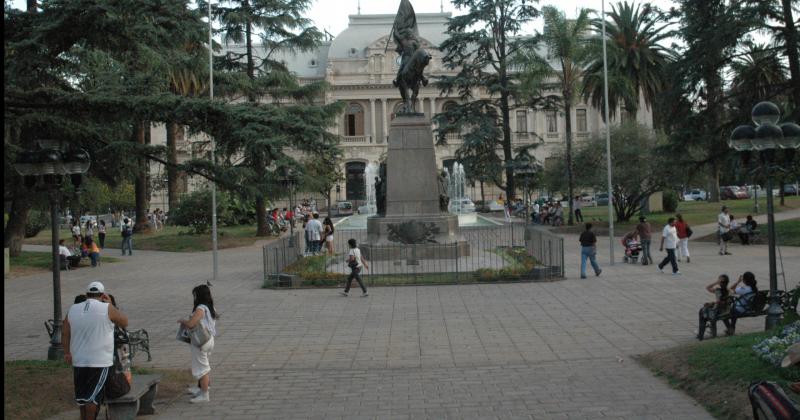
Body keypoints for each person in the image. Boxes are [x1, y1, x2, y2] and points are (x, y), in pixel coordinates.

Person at [62, 281, 128, 420]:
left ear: (86, 295)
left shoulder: (73, 309)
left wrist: (67, 352)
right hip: (99, 361)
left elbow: (65, 332)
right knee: (92, 397)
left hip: (79, 360)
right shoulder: (107, 308)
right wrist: (111, 304)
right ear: (103, 294)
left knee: (82, 397)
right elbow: (124, 322)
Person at [178, 285, 217, 403]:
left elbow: (191, 324)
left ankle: (205, 394)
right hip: (209, 340)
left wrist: (182, 321)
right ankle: (202, 389)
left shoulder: (200, 308)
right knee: (203, 366)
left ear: (198, 296)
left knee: (202, 369)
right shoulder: (211, 307)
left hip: (200, 342)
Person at [697, 275, 730, 340]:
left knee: (702, 311)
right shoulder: (728, 290)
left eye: (719, 280)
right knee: (709, 308)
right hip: (726, 310)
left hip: (717, 311)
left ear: (720, 282)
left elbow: (708, 287)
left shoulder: (718, 290)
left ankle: (701, 335)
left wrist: (716, 282)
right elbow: (722, 301)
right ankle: (729, 329)